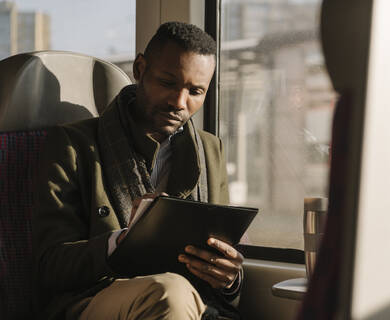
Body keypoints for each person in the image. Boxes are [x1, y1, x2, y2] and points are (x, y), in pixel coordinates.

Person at [33, 22, 243, 320]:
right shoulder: (74, 145)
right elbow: (49, 267)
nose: (179, 103)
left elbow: (220, 252)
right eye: (168, 83)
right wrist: (121, 242)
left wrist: (228, 277)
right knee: (169, 292)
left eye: (195, 91)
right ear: (140, 68)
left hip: (191, 298)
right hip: (94, 296)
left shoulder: (211, 151)